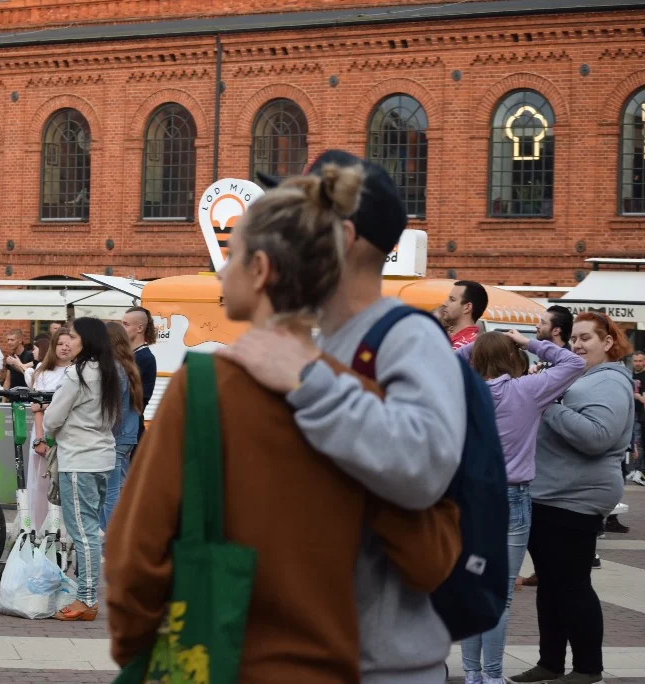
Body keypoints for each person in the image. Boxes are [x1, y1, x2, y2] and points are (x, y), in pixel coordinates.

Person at [109, 165, 461, 681]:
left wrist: (137, 648)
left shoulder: (206, 387)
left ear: (260, 270)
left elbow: (135, 558)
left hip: (230, 662)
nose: (223, 274)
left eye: (231, 259)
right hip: (332, 665)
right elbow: (428, 558)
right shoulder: (362, 396)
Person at [222, 149, 466, 684]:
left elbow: (422, 465)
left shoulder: (407, 337)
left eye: (303, 218)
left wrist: (311, 384)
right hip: (319, 654)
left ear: (345, 236)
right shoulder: (325, 338)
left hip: (381, 665)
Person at [508, 313, 635, 684]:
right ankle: (550, 663)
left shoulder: (609, 380)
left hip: (575, 498)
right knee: (550, 585)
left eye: (586, 339)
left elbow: (597, 437)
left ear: (608, 343)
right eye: (574, 338)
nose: (577, 345)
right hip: (552, 494)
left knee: (572, 585)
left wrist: (546, 404)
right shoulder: (585, 376)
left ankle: (587, 668)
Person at [456, 330, 584, 684]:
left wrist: (475, 345)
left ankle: (472, 674)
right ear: (512, 357)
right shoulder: (528, 390)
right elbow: (574, 362)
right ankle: (493, 676)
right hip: (512, 497)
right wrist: (528, 342)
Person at [43, 317, 121, 622]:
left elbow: (52, 419)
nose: (67, 341)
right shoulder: (106, 370)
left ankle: (87, 598)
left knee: (83, 531)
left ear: (85, 341)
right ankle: (86, 596)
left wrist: (52, 425)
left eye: (72, 336)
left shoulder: (79, 373)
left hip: (80, 458)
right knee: (89, 527)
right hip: (102, 456)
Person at [26, 327, 73, 533]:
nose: (64, 348)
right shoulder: (42, 373)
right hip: (43, 434)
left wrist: (46, 404)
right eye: (60, 344)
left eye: (68, 343)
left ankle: (61, 531)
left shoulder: (77, 372)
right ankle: (38, 530)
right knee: (40, 485)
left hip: (68, 435)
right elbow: (36, 409)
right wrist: (39, 439)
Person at [101, 321, 141, 531]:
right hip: (127, 435)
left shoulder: (115, 368)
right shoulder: (128, 364)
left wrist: (108, 435)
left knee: (109, 495)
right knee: (118, 491)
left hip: (116, 437)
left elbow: (115, 409)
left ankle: (114, 542)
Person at [122, 307, 156, 438]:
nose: (122, 329)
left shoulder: (145, 358)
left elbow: (139, 399)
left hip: (131, 429)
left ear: (139, 328)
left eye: (125, 324)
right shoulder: (131, 355)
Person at [442, 280, 488, 349]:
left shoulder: (465, 346)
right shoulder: (450, 340)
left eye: (452, 299)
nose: (445, 304)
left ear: (467, 307)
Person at [628, 350, 645, 486]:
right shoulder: (630, 374)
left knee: (639, 443)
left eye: (641, 360)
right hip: (632, 413)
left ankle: (639, 471)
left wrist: (637, 396)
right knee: (633, 442)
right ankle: (635, 470)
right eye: (636, 361)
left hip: (642, 414)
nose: (638, 363)